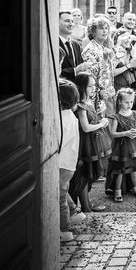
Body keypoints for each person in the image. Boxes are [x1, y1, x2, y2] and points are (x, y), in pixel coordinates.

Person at [72, 72, 112, 212]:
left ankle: (87, 204)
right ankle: (85, 207)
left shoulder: (89, 102)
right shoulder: (80, 106)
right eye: (90, 86)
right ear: (82, 87)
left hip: (94, 141)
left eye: (94, 85)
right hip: (86, 144)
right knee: (84, 174)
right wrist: (101, 124)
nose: (93, 88)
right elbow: (86, 127)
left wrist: (101, 117)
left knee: (89, 175)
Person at [107, 88, 136, 202]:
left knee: (134, 167)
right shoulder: (116, 117)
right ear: (119, 101)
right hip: (121, 147)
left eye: (131, 102)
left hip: (135, 146)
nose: (129, 104)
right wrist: (125, 133)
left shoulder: (135, 114)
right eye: (126, 102)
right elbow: (112, 133)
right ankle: (117, 191)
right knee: (120, 169)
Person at [58, 78, 86, 242]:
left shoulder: (61, 119)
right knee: (61, 190)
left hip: (62, 162)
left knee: (59, 196)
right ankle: (75, 212)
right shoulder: (70, 115)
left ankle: (64, 229)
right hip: (69, 162)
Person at [81, 15, 117, 117]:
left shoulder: (103, 48)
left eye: (106, 28)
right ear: (93, 31)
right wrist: (100, 91)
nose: (105, 31)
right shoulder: (91, 50)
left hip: (108, 94)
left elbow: (108, 71)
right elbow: (90, 75)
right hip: (97, 97)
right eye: (101, 28)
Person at [59, 11, 91, 82]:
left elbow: (80, 65)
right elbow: (54, 70)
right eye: (67, 21)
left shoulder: (75, 44)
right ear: (57, 23)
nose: (71, 24)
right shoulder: (54, 44)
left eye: (72, 21)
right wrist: (75, 70)